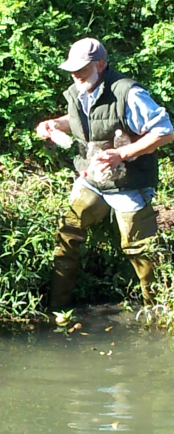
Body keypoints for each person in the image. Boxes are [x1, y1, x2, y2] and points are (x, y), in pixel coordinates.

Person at [36, 37, 174, 307]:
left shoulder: (128, 93)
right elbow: (78, 121)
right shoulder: (78, 91)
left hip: (128, 184)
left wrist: (121, 154)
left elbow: (165, 131)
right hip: (92, 180)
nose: (76, 75)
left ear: (101, 64)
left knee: (139, 250)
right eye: (72, 69)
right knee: (68, 233)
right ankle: (57, 308)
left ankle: (157, 313)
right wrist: (54, 124)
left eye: (82, 69)